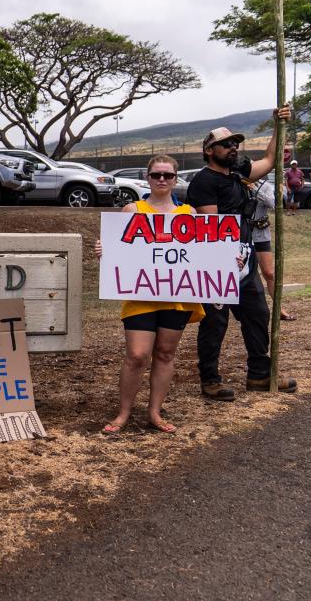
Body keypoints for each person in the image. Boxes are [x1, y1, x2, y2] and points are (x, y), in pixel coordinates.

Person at [186, 108, 298, 400]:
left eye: (236, 143)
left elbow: (270, 161)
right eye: (227, 144)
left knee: (258, 314)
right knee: (215, 322)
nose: (233, 147)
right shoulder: (203, 182)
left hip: (245, 262)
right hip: (217, 265)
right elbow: (211, 230)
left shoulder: (238, 171)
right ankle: (210, 380)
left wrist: (277, 125)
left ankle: (259, 374)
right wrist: (225, 259)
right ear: (210, 151)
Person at [96, 156, 206, 435]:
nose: (162, 180)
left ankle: (155, 412)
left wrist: (229, 262)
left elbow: (202, 255)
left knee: (166, 353)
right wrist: (104, 251)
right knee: (136, 354)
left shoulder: (189, 214)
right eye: (156, 174)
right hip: (141, 294)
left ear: (175, 179)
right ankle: (123, 412)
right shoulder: (133, 210)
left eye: (168, 175)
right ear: (147, 177)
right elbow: (118, 251)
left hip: (177, 294)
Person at [249, 178, 295, 321]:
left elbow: (272, 203)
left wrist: (254, 189)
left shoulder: (265, 186)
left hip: (260, 233)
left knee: (269, 273)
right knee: (243, 274)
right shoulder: (237, 183)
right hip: (241, 233)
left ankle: (279, 308)